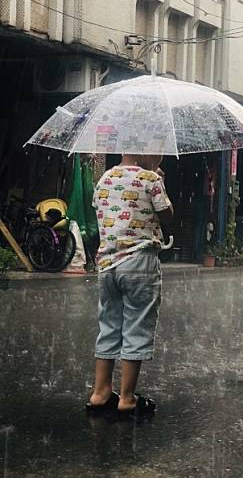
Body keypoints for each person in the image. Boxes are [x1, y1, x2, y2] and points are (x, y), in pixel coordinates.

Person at [85, 154, 173, 417]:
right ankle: (127, 398)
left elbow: (102, 209)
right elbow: (167, 216)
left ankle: (100, 393)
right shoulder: (151, 179)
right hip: (139, 262)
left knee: (109, 325)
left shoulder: (105, 178)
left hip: (108, 264)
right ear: (146, 151)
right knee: (136, 325)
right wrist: (159, 182)